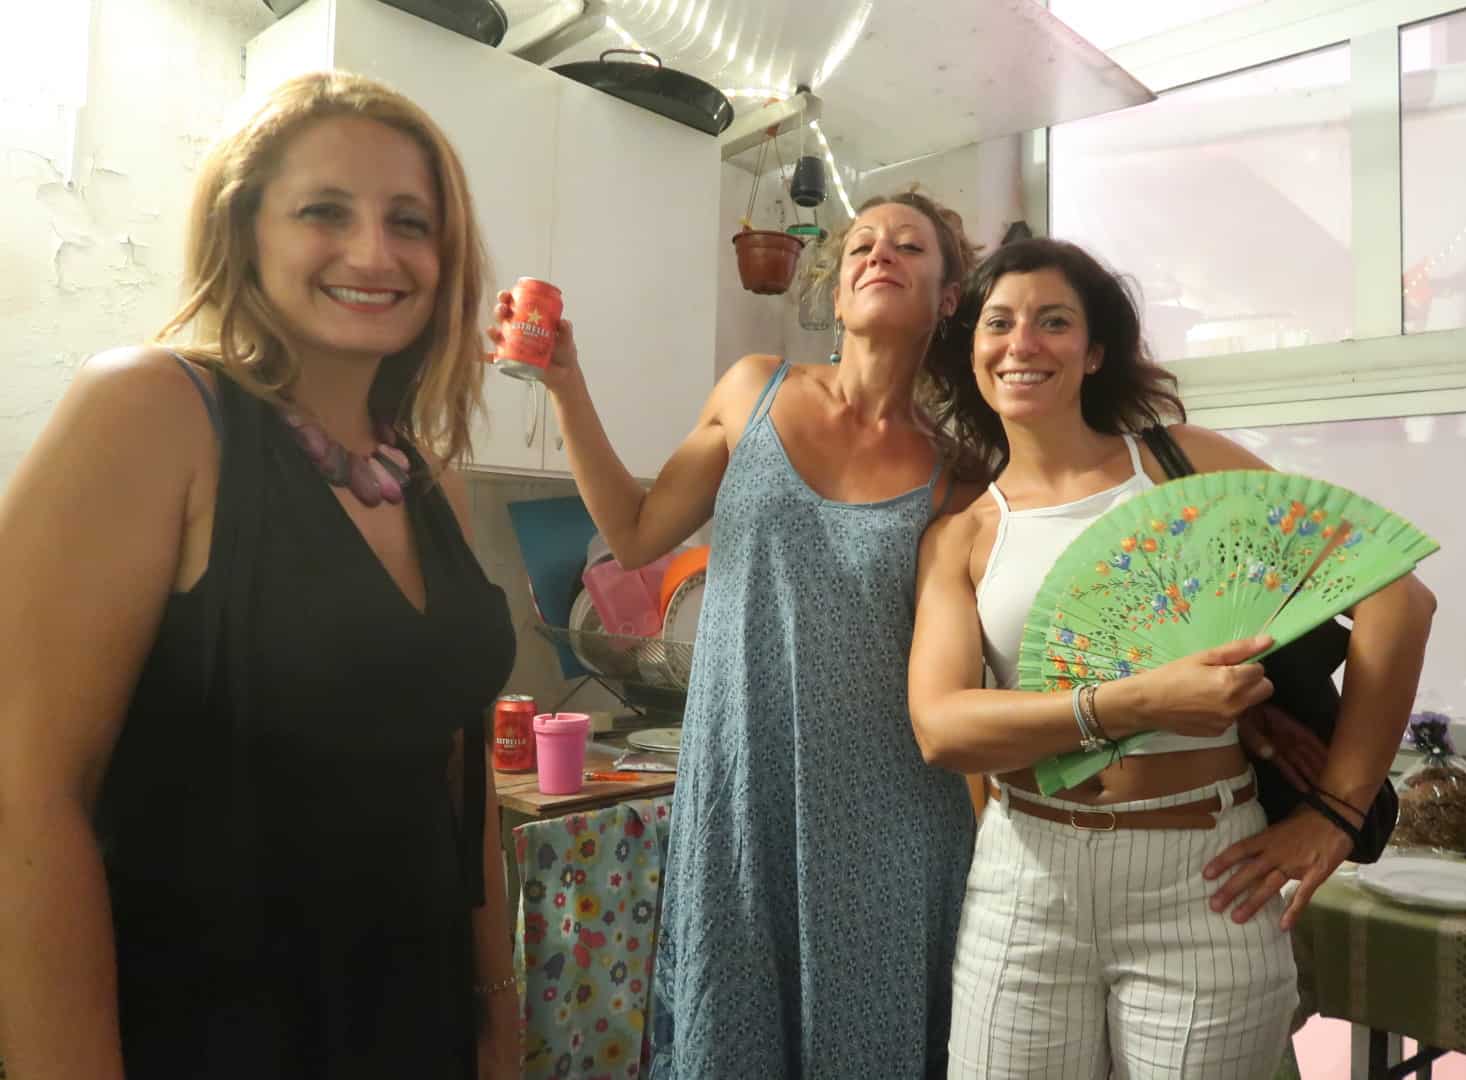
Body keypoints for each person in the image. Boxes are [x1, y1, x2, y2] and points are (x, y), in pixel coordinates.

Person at [0, 72, 520, 1079]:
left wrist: (497, 1013)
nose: (374, 252)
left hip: (414, 1027)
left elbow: (463, 785)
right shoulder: (153, 410)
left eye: (410, 222)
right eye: (325, 211)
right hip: (210, 1032)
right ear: (244, 232)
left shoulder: (431, 482)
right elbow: (25, 795)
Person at [908, 238, 1436, 1079]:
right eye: (998, 323)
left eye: (1054, 322)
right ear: (973, 351)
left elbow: (1397, 598)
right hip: (1023, 879)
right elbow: (942, 727)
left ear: (1095, 352)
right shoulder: (962, 535)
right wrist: (1139, 702)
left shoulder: (1182, 467)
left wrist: (1337, 810)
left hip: (1204, 876)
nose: (1023, 343)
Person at [493, 191, 981, 1078]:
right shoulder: (755, 389)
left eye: (910, 247)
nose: (880, 253)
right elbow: (635, 533)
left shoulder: (956, 473)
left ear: (947, 298)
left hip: (888, 813)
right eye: (863, 244)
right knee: (734, 1034)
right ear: (837, 292)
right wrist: (565, 384)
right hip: (741, 786)